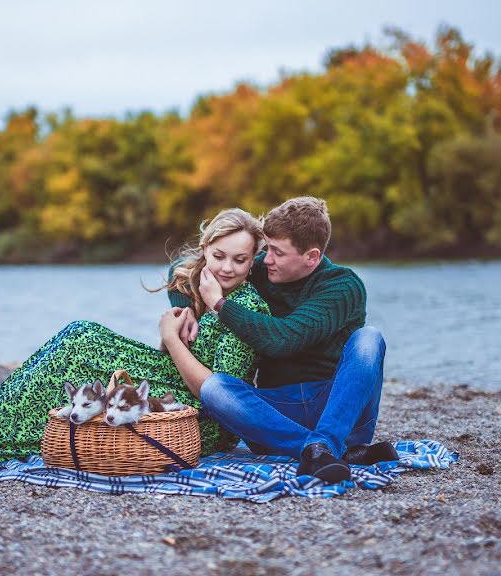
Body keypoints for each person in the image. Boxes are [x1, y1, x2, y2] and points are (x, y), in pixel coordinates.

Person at [0, 208, 270, 461]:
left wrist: (169, 338)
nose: (227, 268)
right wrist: (189, 311)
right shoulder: (202, 284)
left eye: (239, 260)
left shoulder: (247, 307)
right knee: (81, 336)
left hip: (196, 414)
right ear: (205, 250)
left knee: (81, 352)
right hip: (172, 378)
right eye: (218, 256)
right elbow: (180, 267)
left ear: (253, 259)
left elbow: (218, 396)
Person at [163, 197, 394, 484]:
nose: (266, 258)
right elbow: (181, 266)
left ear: (311, 257)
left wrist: (221, 305)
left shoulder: (341, 286)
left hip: (337, 408)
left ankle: (326, 443)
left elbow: (284, 338)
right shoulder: (264, 271)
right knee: (215, 387)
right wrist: (187, 309)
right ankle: (325, 451)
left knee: (369, 338)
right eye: (267, 248)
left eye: (277, 252)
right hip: (274, 415)